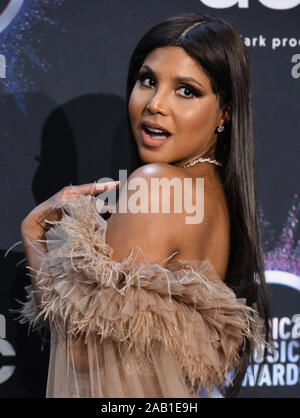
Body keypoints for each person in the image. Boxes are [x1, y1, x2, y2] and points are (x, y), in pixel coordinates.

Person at [17, 12, 271, 398]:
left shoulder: (156, 185)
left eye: (186, 90)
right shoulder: (214, 193)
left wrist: (34, 232)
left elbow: (85, 356)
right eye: (148, 80)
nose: (155, 104)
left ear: (225, 111)